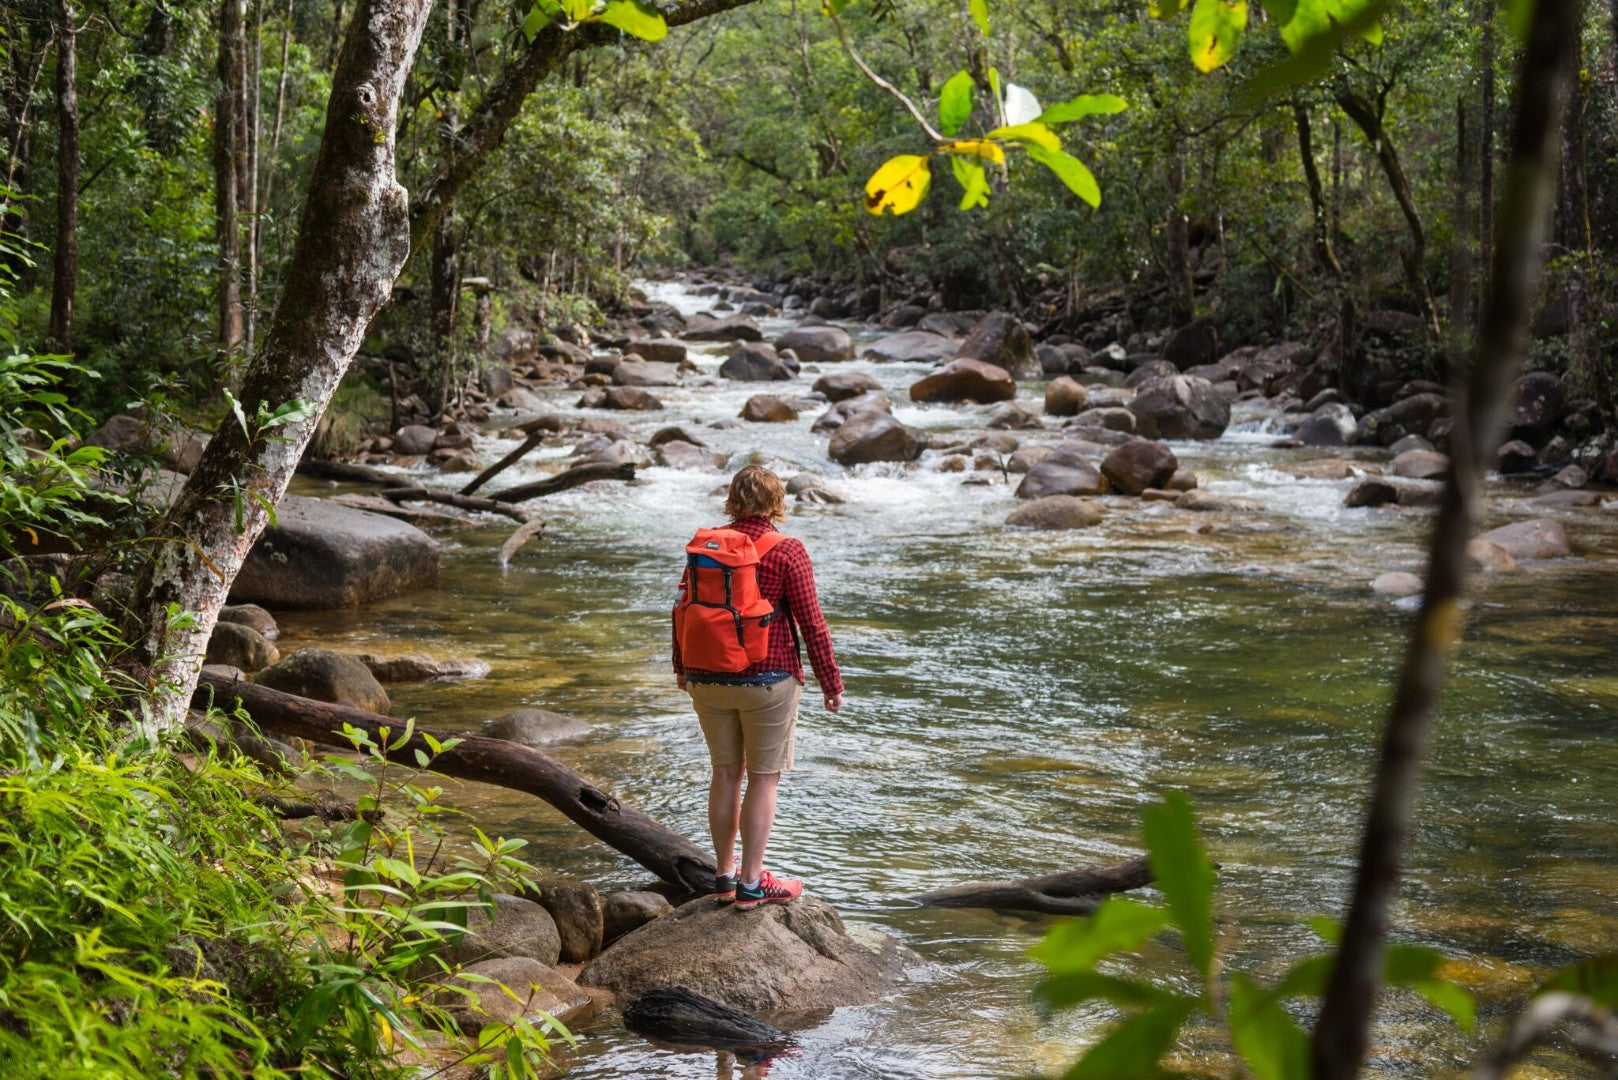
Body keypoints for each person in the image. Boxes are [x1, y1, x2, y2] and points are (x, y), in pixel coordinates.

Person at [673, 465, 843, 910]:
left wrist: (681, 668)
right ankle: (753, 883)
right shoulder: (788, 550)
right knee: (764, 778)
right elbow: (812, 623)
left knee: (726, 773)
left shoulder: (705, 548)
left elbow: (682, 609)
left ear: (733, 500)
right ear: (776, 503)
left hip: (706, 677)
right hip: (769, 679)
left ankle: (724, 875)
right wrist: (831, 682)